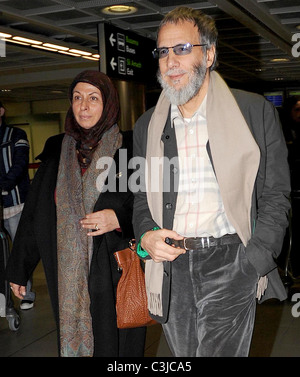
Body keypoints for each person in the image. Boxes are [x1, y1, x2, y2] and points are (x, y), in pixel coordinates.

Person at [131, 7, 290, 357]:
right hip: (170, 267)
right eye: (163, 51)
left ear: (210, 53)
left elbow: (276, 194)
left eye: (182, 48)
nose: (171, 60)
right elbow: (142, 198)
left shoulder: (253, 112)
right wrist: (145, 237)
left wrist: (255, 260)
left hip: (231, 261)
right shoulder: (148, 126)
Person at [6, 70, 146, 357]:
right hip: (67, 273)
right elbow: (35, 215)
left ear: (108, 103)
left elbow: (148, 204)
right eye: (77, 98)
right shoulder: (56, 153)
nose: (84, 106)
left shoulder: (128, 150)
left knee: (115, 346)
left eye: (93, 98)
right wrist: (19, 269)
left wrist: (118, 218)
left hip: (113, 271)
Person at [0, 101, 35, 310]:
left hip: (15, 203)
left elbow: (20, 164)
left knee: (20, 250)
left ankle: (26, 292)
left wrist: (3, 185)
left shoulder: (16, 134)